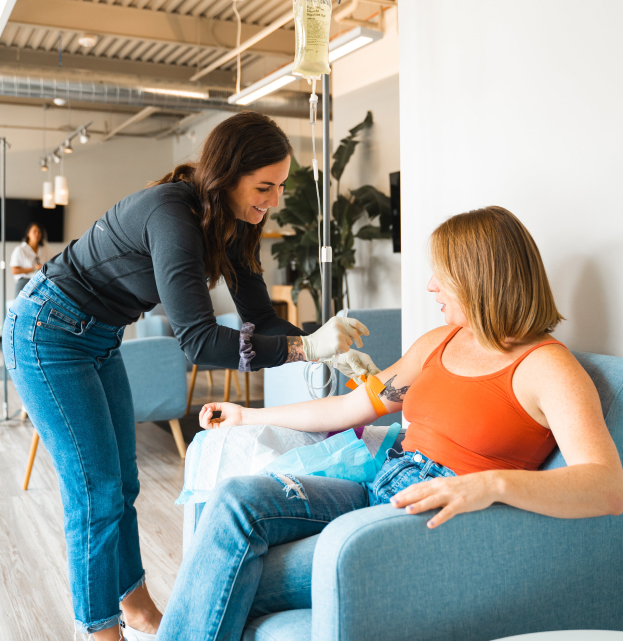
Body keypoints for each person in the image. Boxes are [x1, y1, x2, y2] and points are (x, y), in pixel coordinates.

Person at [155, 206, 623, 641]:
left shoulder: (548, 368)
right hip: (380, 486)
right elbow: (348, 408)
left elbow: (606, 485)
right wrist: (247, 416)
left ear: (480, 277)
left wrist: (492, 486)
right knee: (237, 499)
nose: (431, 287)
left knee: (227, 569)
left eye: (443, 275)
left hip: (431, 521)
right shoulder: (440, 343)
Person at [4, 112, 378, 641]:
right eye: (263, 186)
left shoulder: (232, 224)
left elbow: (260, 320)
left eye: (280, 187)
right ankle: (100, 632)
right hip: (47, 332)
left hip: (99, 335)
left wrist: (321, 350)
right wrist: (305, 347)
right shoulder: (172, 213)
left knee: (123, 483)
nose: (272, 201)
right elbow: (200, 341)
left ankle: (135, 608)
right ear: (227, 175)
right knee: (95, 492)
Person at [10, 222, 45, 297]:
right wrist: (33, 269)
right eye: (34, 231)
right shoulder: (20, 249)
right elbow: (14, 270)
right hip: (25, 281)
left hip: (40, 282)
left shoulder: (45, 249)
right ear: (28, 233)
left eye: (39, 232)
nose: (37, 234)